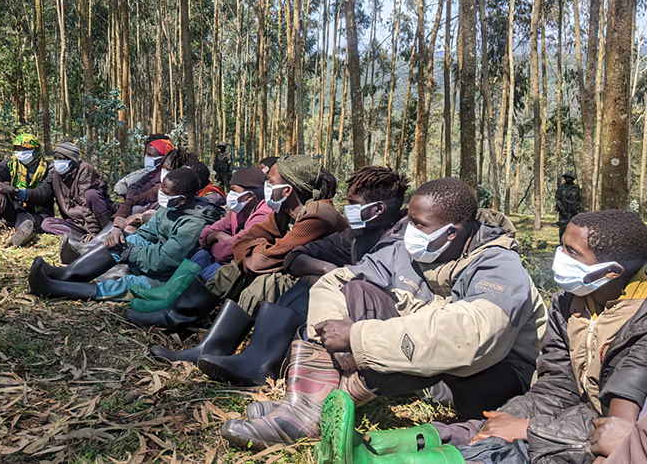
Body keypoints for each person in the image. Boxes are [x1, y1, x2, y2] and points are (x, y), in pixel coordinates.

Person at [219, 177, 548, 449]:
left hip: (493, 379)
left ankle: (311, 410)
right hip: (428, 372)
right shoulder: (408, 247)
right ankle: (306, 402)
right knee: (357, 291)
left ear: (452, 232)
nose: (409, 232)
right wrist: (337, 335)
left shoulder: (499, 266)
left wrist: (359, 337)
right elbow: (338, 280)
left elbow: (467, 340)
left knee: (425, 337)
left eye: (419, 225)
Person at [438, 209, 647, 464]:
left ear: (611, 271)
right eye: (562, 246)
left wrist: (530, 429)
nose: (560, 256)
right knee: (493, 431)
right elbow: (556, 385)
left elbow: (615, 428)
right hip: (575, 421)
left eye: (573, 252)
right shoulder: (567, 303)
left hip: (615, 438)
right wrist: (509, 417)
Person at [196, 166, 410, 387]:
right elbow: (296, 255)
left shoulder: (403, 240)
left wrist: (335, 277)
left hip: (387, 324)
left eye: (354, 204)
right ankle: (256, 360)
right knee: (308, 280)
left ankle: (265, 363)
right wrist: (329, 271)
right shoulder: (356, 235)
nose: (347, 209)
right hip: (351, 306)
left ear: (377, 209)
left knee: (304, 284)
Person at [135, 154, 349, 357]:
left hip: (321, 282)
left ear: (287, 190)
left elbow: (260, 260)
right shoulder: (285, 210)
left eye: (270, 182)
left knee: (263, 284)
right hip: (294, 269)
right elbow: (243, 244)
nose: (266, 187)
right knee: (233, 270)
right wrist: (259, 249)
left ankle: (216, 349)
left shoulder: (318, 214)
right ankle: (177, 316)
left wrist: (257, 249)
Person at [27, 167, 223, 300]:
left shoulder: (194, 223)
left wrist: (128, 252)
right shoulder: (172, 206)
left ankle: (54, 289)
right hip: (158, 257)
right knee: (122, 241)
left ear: (182, 199)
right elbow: (146, 233)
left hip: (170, 274)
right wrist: (121, 237)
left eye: (166, 193)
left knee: (126, 284)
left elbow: (165, 260)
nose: (160, 196)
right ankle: (66, 273)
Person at [0, 133, 54, 246]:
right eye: (17, 148)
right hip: (16, 206)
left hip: (38, 211)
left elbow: (42, 194)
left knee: (25, 219)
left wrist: (13, 190)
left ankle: (20, 235)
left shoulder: (48, 170)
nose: (21, 152)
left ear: (36, 150)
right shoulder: (12, 165)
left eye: (26, 149)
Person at [191, 166, 272, 280]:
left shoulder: (264, 214)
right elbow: (206, 233)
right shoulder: (237, 211)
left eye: (234, 190)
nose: (230, 194)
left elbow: (231, 250)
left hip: (249, 268)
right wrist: (217, 235)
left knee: (212, 271)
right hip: (229, 259)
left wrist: (213, 244)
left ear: (249, 196)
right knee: (202, 255)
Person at [105, 147, 196, 241]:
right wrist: (117, 224)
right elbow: (132, 200)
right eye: (163, 167)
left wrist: (140, 218)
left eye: (168, 169)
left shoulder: (191, 202)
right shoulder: (159, 188)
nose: (164, 171)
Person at [38, 142, 114, 239]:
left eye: (61, 158)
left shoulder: (84, 169)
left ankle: (105, 232)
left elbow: (85, 204)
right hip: (75, 222)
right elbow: (42, 190)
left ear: (71, 159)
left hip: (95, 220)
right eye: (55, 158)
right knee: (46, 224)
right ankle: (80, 237)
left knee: (91, 194)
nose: (57, 161)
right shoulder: (54, 172)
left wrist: (94, 231)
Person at [556, 171, 581, 240]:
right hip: (564, 211)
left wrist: (578, 209)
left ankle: (573, 241)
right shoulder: (561, 188)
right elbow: (557, 199)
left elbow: (580, 199)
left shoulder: (576, 188)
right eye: (566, 178)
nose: (567, 179)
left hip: (574, 211)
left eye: (569, 178)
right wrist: (561, 208)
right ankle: (562, 241)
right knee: (563, 227)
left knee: (574, 227)